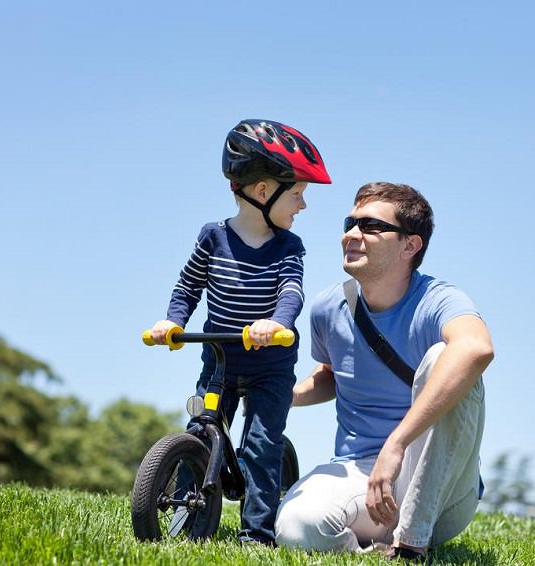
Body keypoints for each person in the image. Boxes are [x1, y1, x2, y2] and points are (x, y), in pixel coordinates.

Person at [275, 182, 494, 562]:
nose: (350, 235)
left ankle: (413, 542)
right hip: (361, 476)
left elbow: (477, 348)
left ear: (410, 245)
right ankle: (375, 554)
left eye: (370, 226)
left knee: (447, 356)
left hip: (440, 486)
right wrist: (281, 395)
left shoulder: (438, 299)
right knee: (296, 527)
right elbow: (331, 373)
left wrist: (396, 445)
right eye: (350, 223)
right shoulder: (329, 306)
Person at [147, 119, 331, 545]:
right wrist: (173, 322)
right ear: (263, 192)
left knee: (262, 447)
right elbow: (188, 285)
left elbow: (291, 291)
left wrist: (277, 323)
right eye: (298, 194)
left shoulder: (289, 247)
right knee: (200, 430)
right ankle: (187, 520)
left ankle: (257, 534)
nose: (302, 206)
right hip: (220, 360)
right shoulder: (213, 237)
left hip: (271, 364)